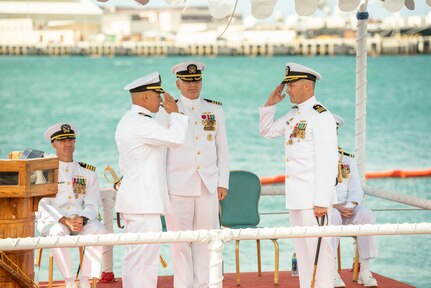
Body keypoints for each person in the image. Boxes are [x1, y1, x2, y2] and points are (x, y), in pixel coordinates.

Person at [259, 62, 338, 288]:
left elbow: (327, 160)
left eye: (291, 85)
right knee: (303, 257)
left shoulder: (320, 116)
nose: (288, 90)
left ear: (306, 86)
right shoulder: (294, 114)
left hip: (314, 201)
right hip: (296, 198)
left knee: (319, 258)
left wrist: (322, 201)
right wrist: (270, 105)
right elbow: (266, 132)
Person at [156, 60, 230, 288]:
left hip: (207, 186)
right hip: (177, 186)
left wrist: (222, 182)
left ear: (201, 81)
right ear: (178, 84)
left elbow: (222, 149)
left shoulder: (214, 109)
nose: (192, 85)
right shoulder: (166, 111)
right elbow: (161, 154)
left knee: (206, 242)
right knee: (180, 244)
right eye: (187, 81)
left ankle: (205, 285)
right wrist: (162, 189)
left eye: (196, 80)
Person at [115, 71, 189, 288]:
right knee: (144, 260)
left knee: (136, 258)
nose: (161, 99)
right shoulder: (140, 123)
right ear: (145, 97)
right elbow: (176, 139)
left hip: (138, 201)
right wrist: (176, 114)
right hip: (143, 203)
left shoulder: (131, 120)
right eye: (157, 95)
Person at [36, 122, 109, 288]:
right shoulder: (44, 170)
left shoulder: (87, 171)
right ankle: (69, 280)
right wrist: (64, 220)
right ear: (53, 144)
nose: (68, 144)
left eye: (71, 140)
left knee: (98, 231)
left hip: (79, 219)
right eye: (62, 140)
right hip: (55, 220)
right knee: (56, 234)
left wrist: (81, 218)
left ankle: (85, 280)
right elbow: (42, 203)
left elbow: (93, 201)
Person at [332, 114, 378, 288]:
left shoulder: (346, 159)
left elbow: (356, 190)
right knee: (333, 216)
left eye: (333, 132)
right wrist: (335, 206)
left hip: (346, 209)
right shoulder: (313, 161)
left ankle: (365, 270)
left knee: (366, 215)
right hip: (326, 210)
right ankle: (331, 270)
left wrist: (350, 206)